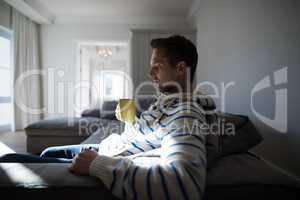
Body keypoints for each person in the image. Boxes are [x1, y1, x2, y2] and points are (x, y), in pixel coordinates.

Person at [0, 35, 215, 199]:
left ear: (180, 69)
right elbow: (147, 134)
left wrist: (98, 165)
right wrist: (130, 119)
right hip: (109, 148)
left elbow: (183, 185)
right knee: (48, 151)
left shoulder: (186, 113)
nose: (151, 76)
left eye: (156, 68)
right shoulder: (167, 101)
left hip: (108, 158)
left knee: (9, 160)